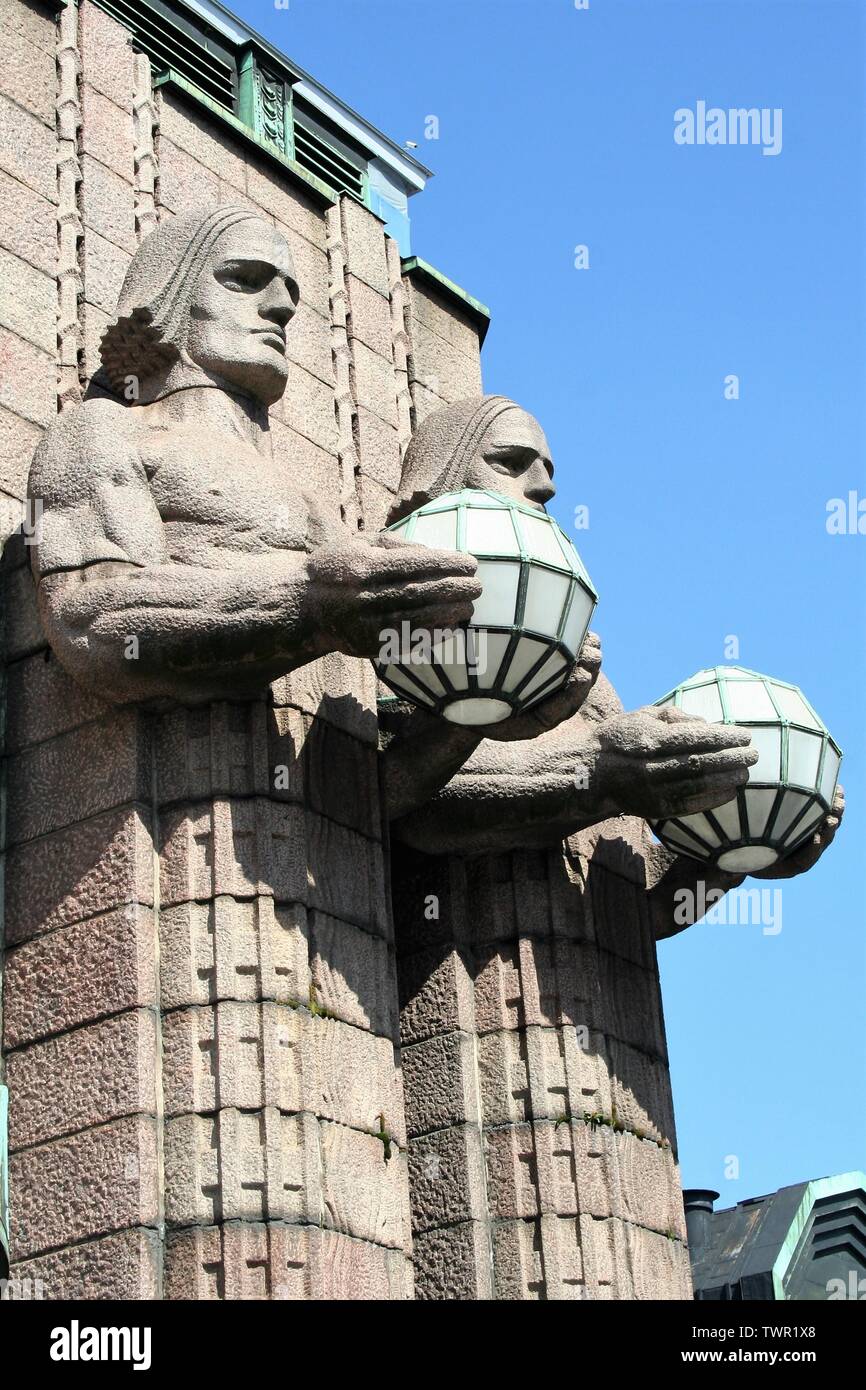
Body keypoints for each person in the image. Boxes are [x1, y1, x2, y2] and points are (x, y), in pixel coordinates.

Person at [380, 395, 843, 931]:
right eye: (509, 462)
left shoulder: (580, 672)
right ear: (443, 476)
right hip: (482, 968)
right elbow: (408, 803)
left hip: (615, 1003)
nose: (544, 486)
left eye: (548, 471)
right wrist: (597, 775)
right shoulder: (402, 624)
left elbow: (636, 902)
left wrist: (726, 841)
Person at [27, 205, 480, 705]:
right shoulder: (104, 428)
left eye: (289, 292)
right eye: (243, 279)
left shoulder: (311, 502)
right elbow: (90, 621)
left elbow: (389, 763)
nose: (281, 308)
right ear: (165, 298)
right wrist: (311, 599)